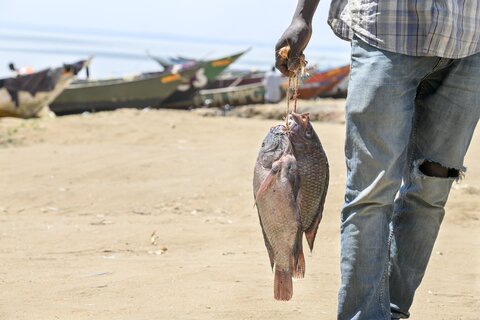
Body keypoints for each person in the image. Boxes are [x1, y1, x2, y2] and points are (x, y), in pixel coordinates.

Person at [275, 1, 480, 319]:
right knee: (371, 192)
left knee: (432, 190)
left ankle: (393, 311)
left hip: (471, 40)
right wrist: (302, 17)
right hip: (387, 29)